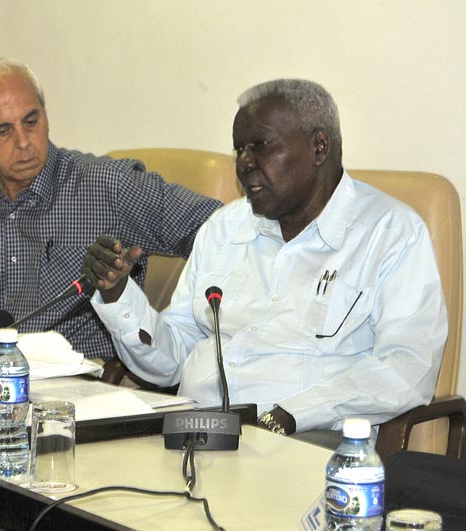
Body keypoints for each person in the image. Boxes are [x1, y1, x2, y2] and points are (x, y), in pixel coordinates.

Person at [83, 79, 447, 445]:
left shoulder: (390, 233)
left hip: (308, 439)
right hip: (197, 431)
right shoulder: (223, 228)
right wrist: (118, 296)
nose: (244, 163)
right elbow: (172, 360)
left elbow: (407, 368)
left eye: (261, 146)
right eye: (239, 149)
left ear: (318, 147)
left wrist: (291, 415)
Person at [0, 57, 222, 360]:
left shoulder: (106, 185)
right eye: (3, 130)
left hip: (85, 383)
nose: (23, 143)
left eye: (31, 121)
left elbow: (223, 231)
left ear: (45, 113)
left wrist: (186, 332)